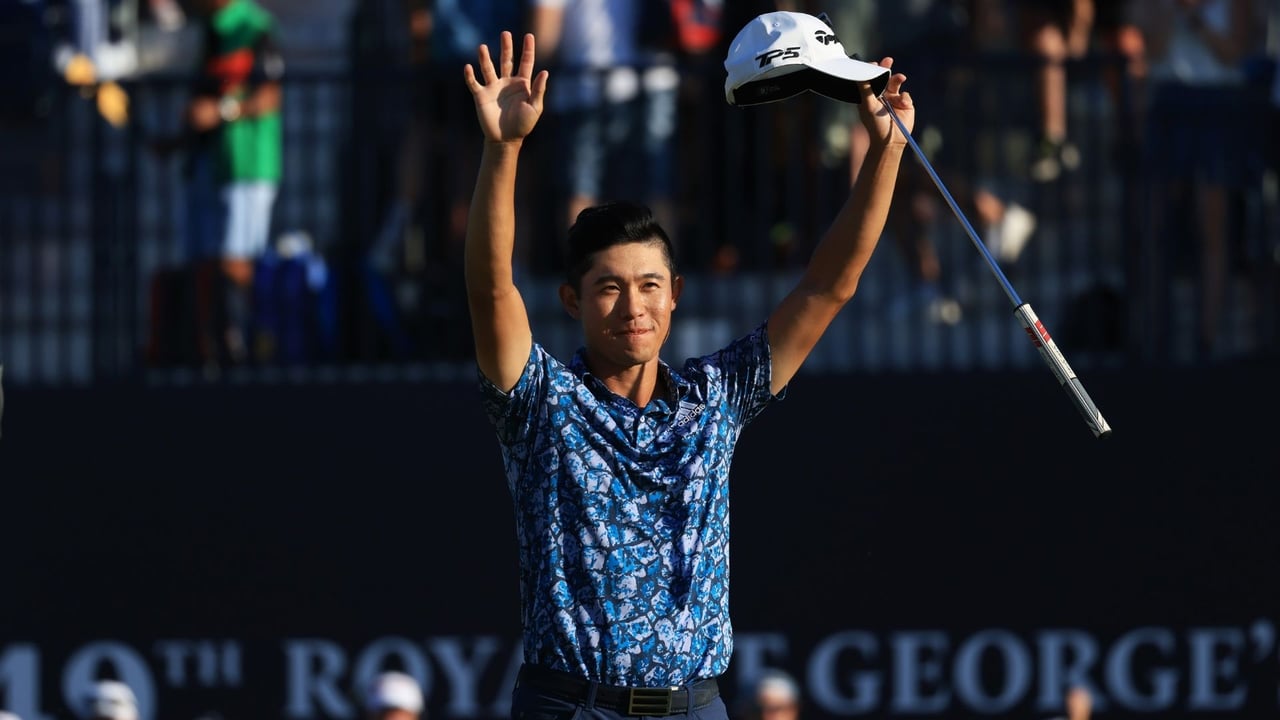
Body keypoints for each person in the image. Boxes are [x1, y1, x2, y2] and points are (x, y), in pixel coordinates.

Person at [461, 11, 913, 719]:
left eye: (648, 286)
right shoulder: (541, 401)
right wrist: (504, 150)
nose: (631, 307)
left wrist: (884, 153)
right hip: (572, 707)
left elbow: (830, 287)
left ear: (674, 296)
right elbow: (490, 289)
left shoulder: (717, 397)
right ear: (573, 299)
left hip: (695, 708)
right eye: (609, 288)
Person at [185, 0, 284, 366]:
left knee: (236, 265)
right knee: (206, 265)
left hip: (248, 166)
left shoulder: (256, 26)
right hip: (211, 167)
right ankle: (213, 355)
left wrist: (223, 112)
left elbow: (271, 96)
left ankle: (248, 354)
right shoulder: (209, 30)